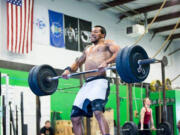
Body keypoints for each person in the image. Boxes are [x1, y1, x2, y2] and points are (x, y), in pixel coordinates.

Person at [62, 25, 120, 135]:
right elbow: (78, 62)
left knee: (97, 111)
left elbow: (119, 54)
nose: (92, 34)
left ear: (102, 34)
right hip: (87, 84)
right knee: (74, 117)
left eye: (96, 32)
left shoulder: (107, 43)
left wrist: (107, 62)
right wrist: (68, 70)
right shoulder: (87, 49)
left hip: (100, 81)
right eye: (92, 32)